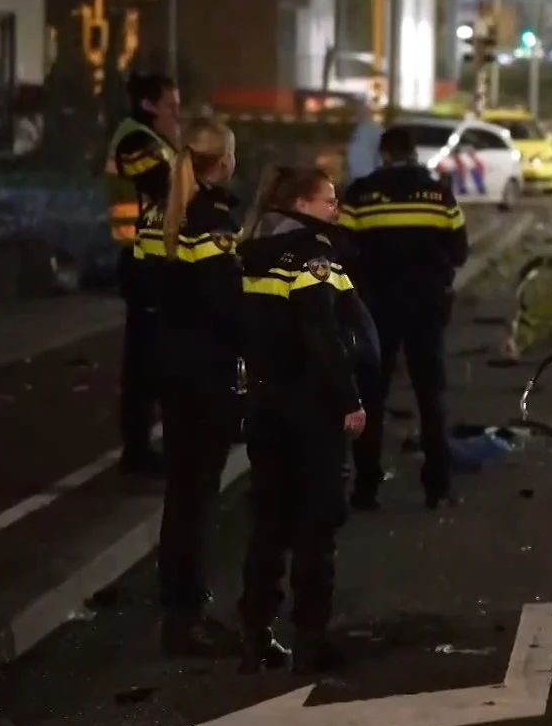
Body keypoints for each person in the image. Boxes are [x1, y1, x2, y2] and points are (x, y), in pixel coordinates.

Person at [236, 167, 369, 673]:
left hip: (265, 405)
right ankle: (311, 640)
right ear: (301, 204)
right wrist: (350, 400)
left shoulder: (248, 253)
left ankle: (257, 634)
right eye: (328, 201)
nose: (335, 210)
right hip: (311, 409)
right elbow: (322, 336)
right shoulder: (314, 257)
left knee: (268, 521)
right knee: (316, 524)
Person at [340, 127, 468, 510]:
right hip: (427, 308)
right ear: (414, 154)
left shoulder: (360, 195)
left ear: (383, 154)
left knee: (372, 397)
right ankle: (438, 486)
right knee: (431, 395)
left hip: (376, 311)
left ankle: (366, 488)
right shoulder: (439, 195)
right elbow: (460, 251)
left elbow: (344, 251)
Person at [154, 116, 242, 658]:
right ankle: (188, 617)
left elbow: (141, 284)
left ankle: (176, 607)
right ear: (223, 161)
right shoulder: (211, 219)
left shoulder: (160, 214)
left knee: (179, 494)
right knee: (198, 498)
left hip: (170, 364)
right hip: (206, 372)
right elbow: (226, 304)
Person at [106, 72, 182, 473]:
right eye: (170, 105)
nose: (176, 112)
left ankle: (145, 445)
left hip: (154, 258)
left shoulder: (152, 140)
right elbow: (167, 189)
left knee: (155, 353)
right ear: (149, 105)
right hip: (141, 260)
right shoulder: (136, 142)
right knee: (144, 358)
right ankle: (136, 451)